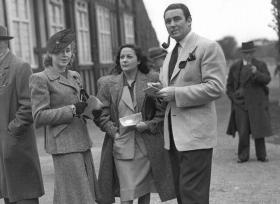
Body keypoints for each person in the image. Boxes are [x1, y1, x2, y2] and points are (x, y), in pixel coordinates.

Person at [154, 3, 226, 204]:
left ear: (189, 21)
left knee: (192, 195)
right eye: (168, 21)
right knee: (182, 194)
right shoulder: (170, 55)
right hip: (174, 136)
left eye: (177, 19)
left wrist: (175, 93)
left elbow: (215, 87)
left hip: (196, 136)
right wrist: (158, 89)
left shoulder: (207, 47)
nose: (172, 24)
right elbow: (170, 85)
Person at [94, 44, 176, 204]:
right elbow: (99, 114)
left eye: (129, 56)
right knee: (128, 193)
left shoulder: (152, 79)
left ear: (138, 60)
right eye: (122, 57)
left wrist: (148, 124)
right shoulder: (107, 83)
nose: (124, 60)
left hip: (146, 146)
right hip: (122, 145)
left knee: (144, 191)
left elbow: (162, 111)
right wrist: (114, 132)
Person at [29, 29, 101, 204]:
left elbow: (80, 106)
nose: (64, 55)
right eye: (59, 51)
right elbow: (39, 116)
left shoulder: (75, 76)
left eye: (68, 51)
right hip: (63, 144)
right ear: (50, 54)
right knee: (76, 194)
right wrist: (72, 110)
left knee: (81, 193)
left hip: (82, 140)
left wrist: (90, 109)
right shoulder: (40, 78)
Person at [0, 25, 44, 204]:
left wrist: (11, 132)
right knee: (9, 195)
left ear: (2, 43)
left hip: (17, 144)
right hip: (3, 148)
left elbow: (28, 105)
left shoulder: (20, 67)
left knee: (24, 196)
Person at [226, 41, 272, 163]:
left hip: (257, 103)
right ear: (242, 53)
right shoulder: (235, 67)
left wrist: (256, 73)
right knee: (243, 130)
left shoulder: (260, 65)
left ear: (253, 52)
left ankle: (262, 156)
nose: (248, 55)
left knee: (259, 129)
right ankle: (243, 156)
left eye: (250, 53)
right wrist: (234, 99)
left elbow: (267, 79)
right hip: (241, 104)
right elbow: (229, 87)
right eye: (246, 53)